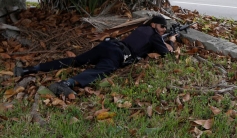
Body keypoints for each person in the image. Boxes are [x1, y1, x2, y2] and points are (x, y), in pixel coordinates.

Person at [14, 15, 174, 97]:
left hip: (108, 44)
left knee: (76, 61)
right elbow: (167, 54)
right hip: (117, 53)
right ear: (153, 25)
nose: (164, 30)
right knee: (101, 70)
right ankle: (67, 83)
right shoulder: (154, 34)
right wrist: (171, 42)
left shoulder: (142, 28)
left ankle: (30, 69)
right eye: (162, 27)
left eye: (166, 29)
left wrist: (163, 39)